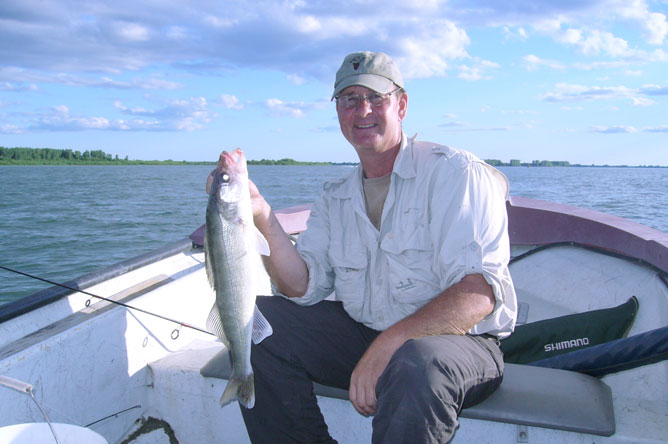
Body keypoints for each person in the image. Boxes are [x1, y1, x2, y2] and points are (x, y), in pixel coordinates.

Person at [208, 51, 517, 444]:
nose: (362, 110)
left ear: (401, 105)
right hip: (369, 333)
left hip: (459, 346)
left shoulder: (457, 174)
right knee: (259, 329)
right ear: (338, 111)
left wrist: (389, 344)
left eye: (376, 98)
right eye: (349, 99)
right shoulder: (336, 197)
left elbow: (477, 296)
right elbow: (301, 287)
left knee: (416, 363)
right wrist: (262, 215)